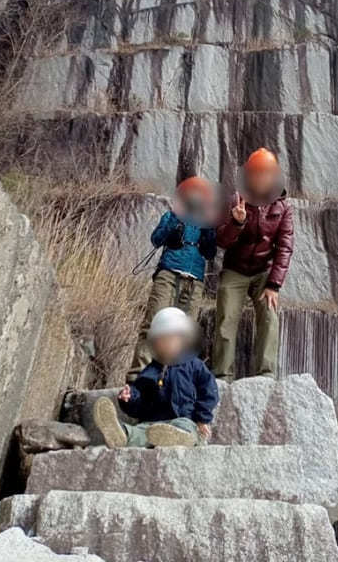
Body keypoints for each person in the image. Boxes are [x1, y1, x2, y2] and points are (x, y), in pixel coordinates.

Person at [212, 148, 294, 382]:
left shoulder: (284, 207)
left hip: (264, 271)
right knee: (226, 317)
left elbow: (285, 247)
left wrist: (274, 285)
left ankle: (266, 375)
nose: (260, 178)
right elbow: (221, 241)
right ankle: (221, 376)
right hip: (235, 268)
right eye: (256, 173)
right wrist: (237, 223)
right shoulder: (235, 200)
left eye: (265, 173)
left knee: (269, 314)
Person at [127, 176, 217, 382]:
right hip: (168, 274)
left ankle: (174, 380)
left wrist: (210, 227)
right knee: (153, 323)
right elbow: (156, 239)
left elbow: (211, 252)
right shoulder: (172, 215)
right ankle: (138, 377)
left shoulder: (207, 223)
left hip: (195, 280)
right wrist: (175, 218)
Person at [94, 307, 218, 449]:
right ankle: (122, 434)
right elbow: (139, 405)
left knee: (186, 428)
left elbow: (209, 390)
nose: (165, 344)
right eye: (160, 340)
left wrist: (202, 418)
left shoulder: (194, 365)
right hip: (152, 423)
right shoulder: (150, 371)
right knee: (141, 432)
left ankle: (180, 438)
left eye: (171, 338)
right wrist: (129, 398)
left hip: (184, 419)